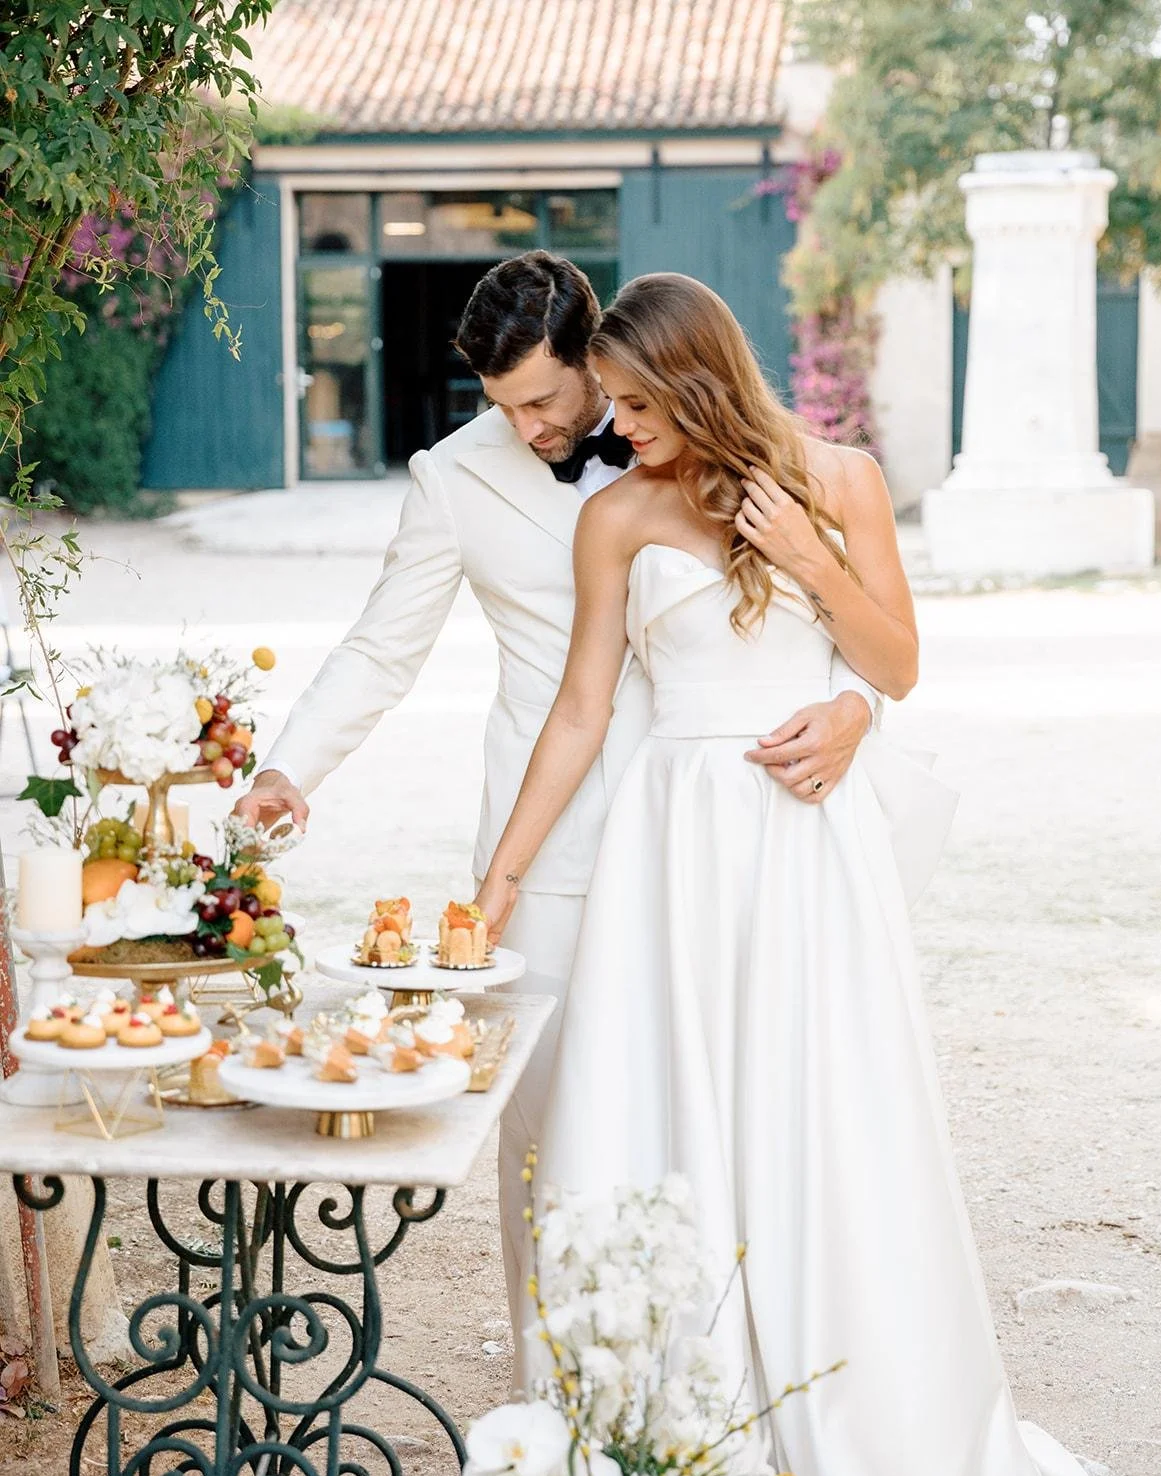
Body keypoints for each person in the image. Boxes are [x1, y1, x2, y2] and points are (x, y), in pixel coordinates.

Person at [474, 273, 1102, 1476]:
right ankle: (702, 1428)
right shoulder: (615, 519)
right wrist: (502, 877)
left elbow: (897, 663)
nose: (621, 425)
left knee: (826, 1119)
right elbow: (585, 713)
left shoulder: (843, 481)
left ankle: (864, 1429)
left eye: (642, 403)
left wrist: (814, 565)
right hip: (677, 850)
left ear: (701, 380)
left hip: (805, 853)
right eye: (615, 404)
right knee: (682, 1120)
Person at [233, 251, 877, 1390]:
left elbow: (824, 620)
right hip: (556, 853)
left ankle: (733, 1378)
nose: (529, 427)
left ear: (599, 360)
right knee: (556, 1136)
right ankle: (564, 1393)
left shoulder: (713, 445)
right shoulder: (451, 480)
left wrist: (857, 710)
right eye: (502, 407)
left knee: (733, 1111)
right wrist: (291, 767)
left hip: (731, 825)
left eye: (545, 400)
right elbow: (383, 646)